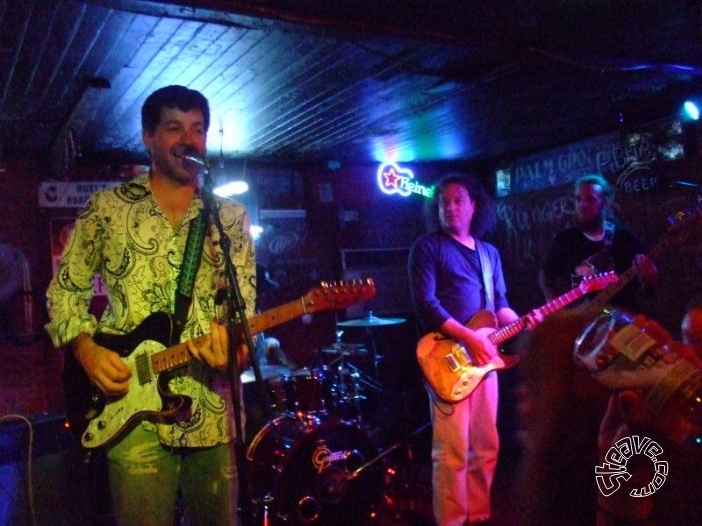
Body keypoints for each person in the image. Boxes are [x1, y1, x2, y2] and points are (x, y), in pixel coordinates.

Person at [46, 85, 256, 526]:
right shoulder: (107, 209)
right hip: (131, 413)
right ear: (148, 137)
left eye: (198, 129)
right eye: (174, 127)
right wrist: (86, 350)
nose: (189, 140)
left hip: (211, 412)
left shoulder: (230, 217)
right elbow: (65, 292)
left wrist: (234, 353)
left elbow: (241, 317)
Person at [408, 172, 538, 525]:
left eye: (457, 201)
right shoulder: (428, 247)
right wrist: (470, 337)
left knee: (485, 445)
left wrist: (525, 319)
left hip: (485, 361)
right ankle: (451, 520)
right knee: (451, 452)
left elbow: (500, 306)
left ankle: (478, 516)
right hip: (447, 359)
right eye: (443, 202)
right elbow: (427, 304)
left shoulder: (489, 253)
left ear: (474, 206)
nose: (449, 208)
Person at [539, 173, 657, 314]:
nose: (583, 205)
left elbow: (645, 293)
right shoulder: (564, 240)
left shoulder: (625, 240)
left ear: (604, 203)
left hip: (620, 324)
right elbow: (545, 276)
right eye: (578, 199)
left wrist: (649, 280)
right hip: (580, 326)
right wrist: (555, 307)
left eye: (591, 199)